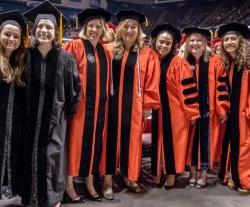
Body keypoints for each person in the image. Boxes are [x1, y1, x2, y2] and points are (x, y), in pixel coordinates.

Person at [20, 1, 81, 206]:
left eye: (49, 27)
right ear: (34, 30)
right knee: (29, 156)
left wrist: (65, 114)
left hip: (55, 121)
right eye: (40, 27)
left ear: (55, 31)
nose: (44, 30)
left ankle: (52, 197)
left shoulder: (66, 58)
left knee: (53, 158)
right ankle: (31, 195)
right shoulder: (26, 56)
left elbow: (74, 89)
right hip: (29, 120)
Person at [100, 9, 161, 193]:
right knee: (109, 141)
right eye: (126, 26)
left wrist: (148, 106)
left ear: (139, 30)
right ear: (119, 29)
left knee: (132, 142)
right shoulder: (108, 49)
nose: (130, 30)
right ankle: (107, 180)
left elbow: (152, 80)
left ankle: (130, 176)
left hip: (134, 106)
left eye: (134, 26)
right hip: (110, 105)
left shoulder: (146, 54)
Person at [63, 8, 112, 202]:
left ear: (103, 29)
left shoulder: (104, 51)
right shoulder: (75, 46)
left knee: (94, 146)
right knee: (75, 146)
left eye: (98, 26)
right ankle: (69, 184)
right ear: (84, 27)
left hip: (100, 108)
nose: (94, 29)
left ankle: (89, 181)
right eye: (90, 26)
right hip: (80, 108)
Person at [181, 27, 229, 188]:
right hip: (189, 112)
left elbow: (222, 87)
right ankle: (193, 174)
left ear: (205, 43)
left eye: (198, 40)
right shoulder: (183, 62)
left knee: (206, 144)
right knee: (191, 143)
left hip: (210, 113)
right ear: (187, 43)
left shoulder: (215, 62)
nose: (195, 43)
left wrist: (222, 108)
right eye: (192, 40)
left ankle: (203, 175)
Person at [217, 22, 250, 195]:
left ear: (241, 41)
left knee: (245, 146)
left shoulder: (248, 64)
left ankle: (245, 180)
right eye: (226, 39)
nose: (228, 42)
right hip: (233, 114)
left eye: (232, 39)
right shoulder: (228, 64)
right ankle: (233, 175)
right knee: (232, 144)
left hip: (245, 115)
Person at [150, 23, 182, 189]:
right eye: (161, 42)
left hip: (173, 109)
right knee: (157, 140)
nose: (163, 45)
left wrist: (190, 112)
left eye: (168, 43)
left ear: (173, 45)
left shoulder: (178, 62)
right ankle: (156, 173)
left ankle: (170, 174)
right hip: (155, 108)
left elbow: (187, 89)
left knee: (170, 143)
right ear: (155, 41)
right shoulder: (150, 58)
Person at [0, 10, 27, 200]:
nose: (11, 39)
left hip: (13, 126)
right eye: (7, 34)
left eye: (16, 36)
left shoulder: (20, 64)